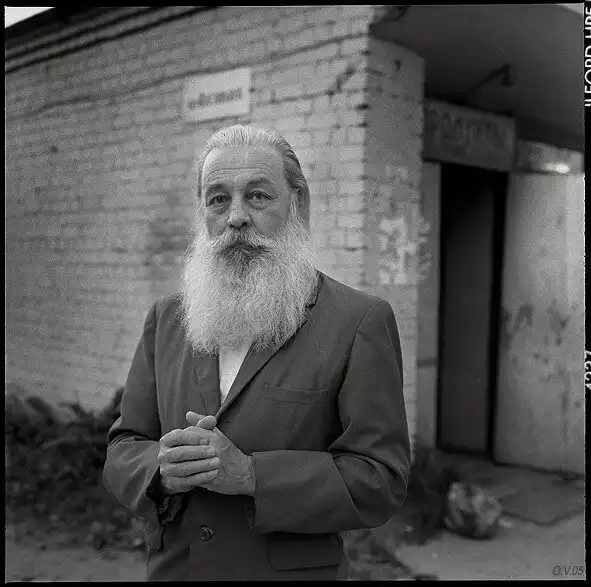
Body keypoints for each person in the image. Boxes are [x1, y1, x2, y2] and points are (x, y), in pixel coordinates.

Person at [103, 124, 410, 581]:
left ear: (297, 204)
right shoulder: (167, 319)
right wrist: (159, 471)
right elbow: (124, 447)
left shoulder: (358, 321)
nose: (236, 217)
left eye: (258, 196)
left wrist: (251, 475)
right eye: (218, 199)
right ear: (203, 213)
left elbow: (381, 479)